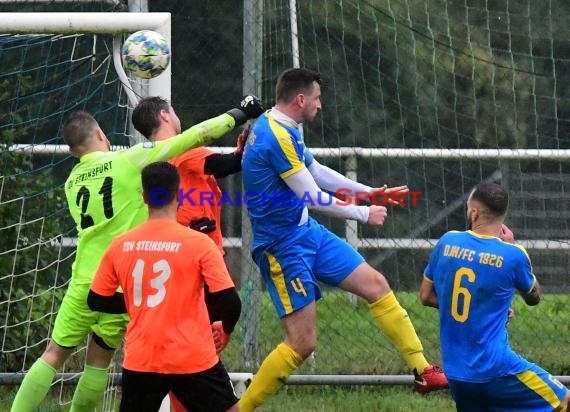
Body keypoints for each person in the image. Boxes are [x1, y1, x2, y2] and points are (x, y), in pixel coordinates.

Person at [10, 96, 263, 412]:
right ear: (102, 134)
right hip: (123, 277)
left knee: (53, 353)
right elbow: (194, 137)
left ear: (74, 152)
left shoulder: (72, 181)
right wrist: (241, 113)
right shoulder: (128, 161)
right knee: (100, 361)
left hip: (84, 282)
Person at [237, 67, 448, 411]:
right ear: (301, 99)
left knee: (376, 285)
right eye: (318, 98)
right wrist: (364, 213)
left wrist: (370, 194)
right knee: (302, 343)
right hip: (282, 247)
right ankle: (240, 410)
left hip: (306, 232)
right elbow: (313, 196)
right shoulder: (275, 135)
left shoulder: (286, 126)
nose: (321, 105)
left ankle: (423, 370)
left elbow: (317, 172)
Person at [87, 161, 241, 412]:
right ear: (179, 195)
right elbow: (230, 302)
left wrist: (138, 301)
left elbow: (96, 299)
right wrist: (226, 328)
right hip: (191, 356)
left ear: (145, 197)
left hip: (142, 357)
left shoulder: (121, 244)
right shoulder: (199, 243)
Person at [131, 96, 249, 412]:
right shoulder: (182, 147)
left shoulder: (155, 157)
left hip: (172, 259)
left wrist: (239, 153)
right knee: (199, 353)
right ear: (164, 115)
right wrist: (248, 149)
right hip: (199, 259)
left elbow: (223, 164)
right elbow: (224, 166)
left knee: (184, 352)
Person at [419, 182, 570, 411]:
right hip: (495, 368)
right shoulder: (512, 254)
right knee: (564, 400)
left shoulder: (446, 242)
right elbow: (534, 297)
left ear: (474, 212)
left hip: (456, 373)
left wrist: (483, 310)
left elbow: (425, 296)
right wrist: (511, 245)